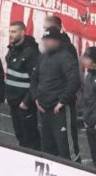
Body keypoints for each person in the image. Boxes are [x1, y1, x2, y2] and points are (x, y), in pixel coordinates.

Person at [34, 27, 81, 159]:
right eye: (45, 40)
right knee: (48, 147)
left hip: (60, 109)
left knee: (67, 147)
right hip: (44, 108)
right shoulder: (42, 57)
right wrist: (36, 98)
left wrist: (62, 102)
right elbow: (34, 78)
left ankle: (74, 173)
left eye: (49, 40)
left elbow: (74, 81)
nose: (46, 43)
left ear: (57, 41)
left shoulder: (66, 58)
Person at [4, 20, 41, 149]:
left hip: (24, 103)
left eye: (14, 32)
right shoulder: (13, 49)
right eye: (9, 31)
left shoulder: (31, 52)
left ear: (23, 32)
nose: (10, 34)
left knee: (30, 136)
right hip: (13, 101)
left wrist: (26, 101)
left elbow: (35, 80)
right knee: (19, 134)